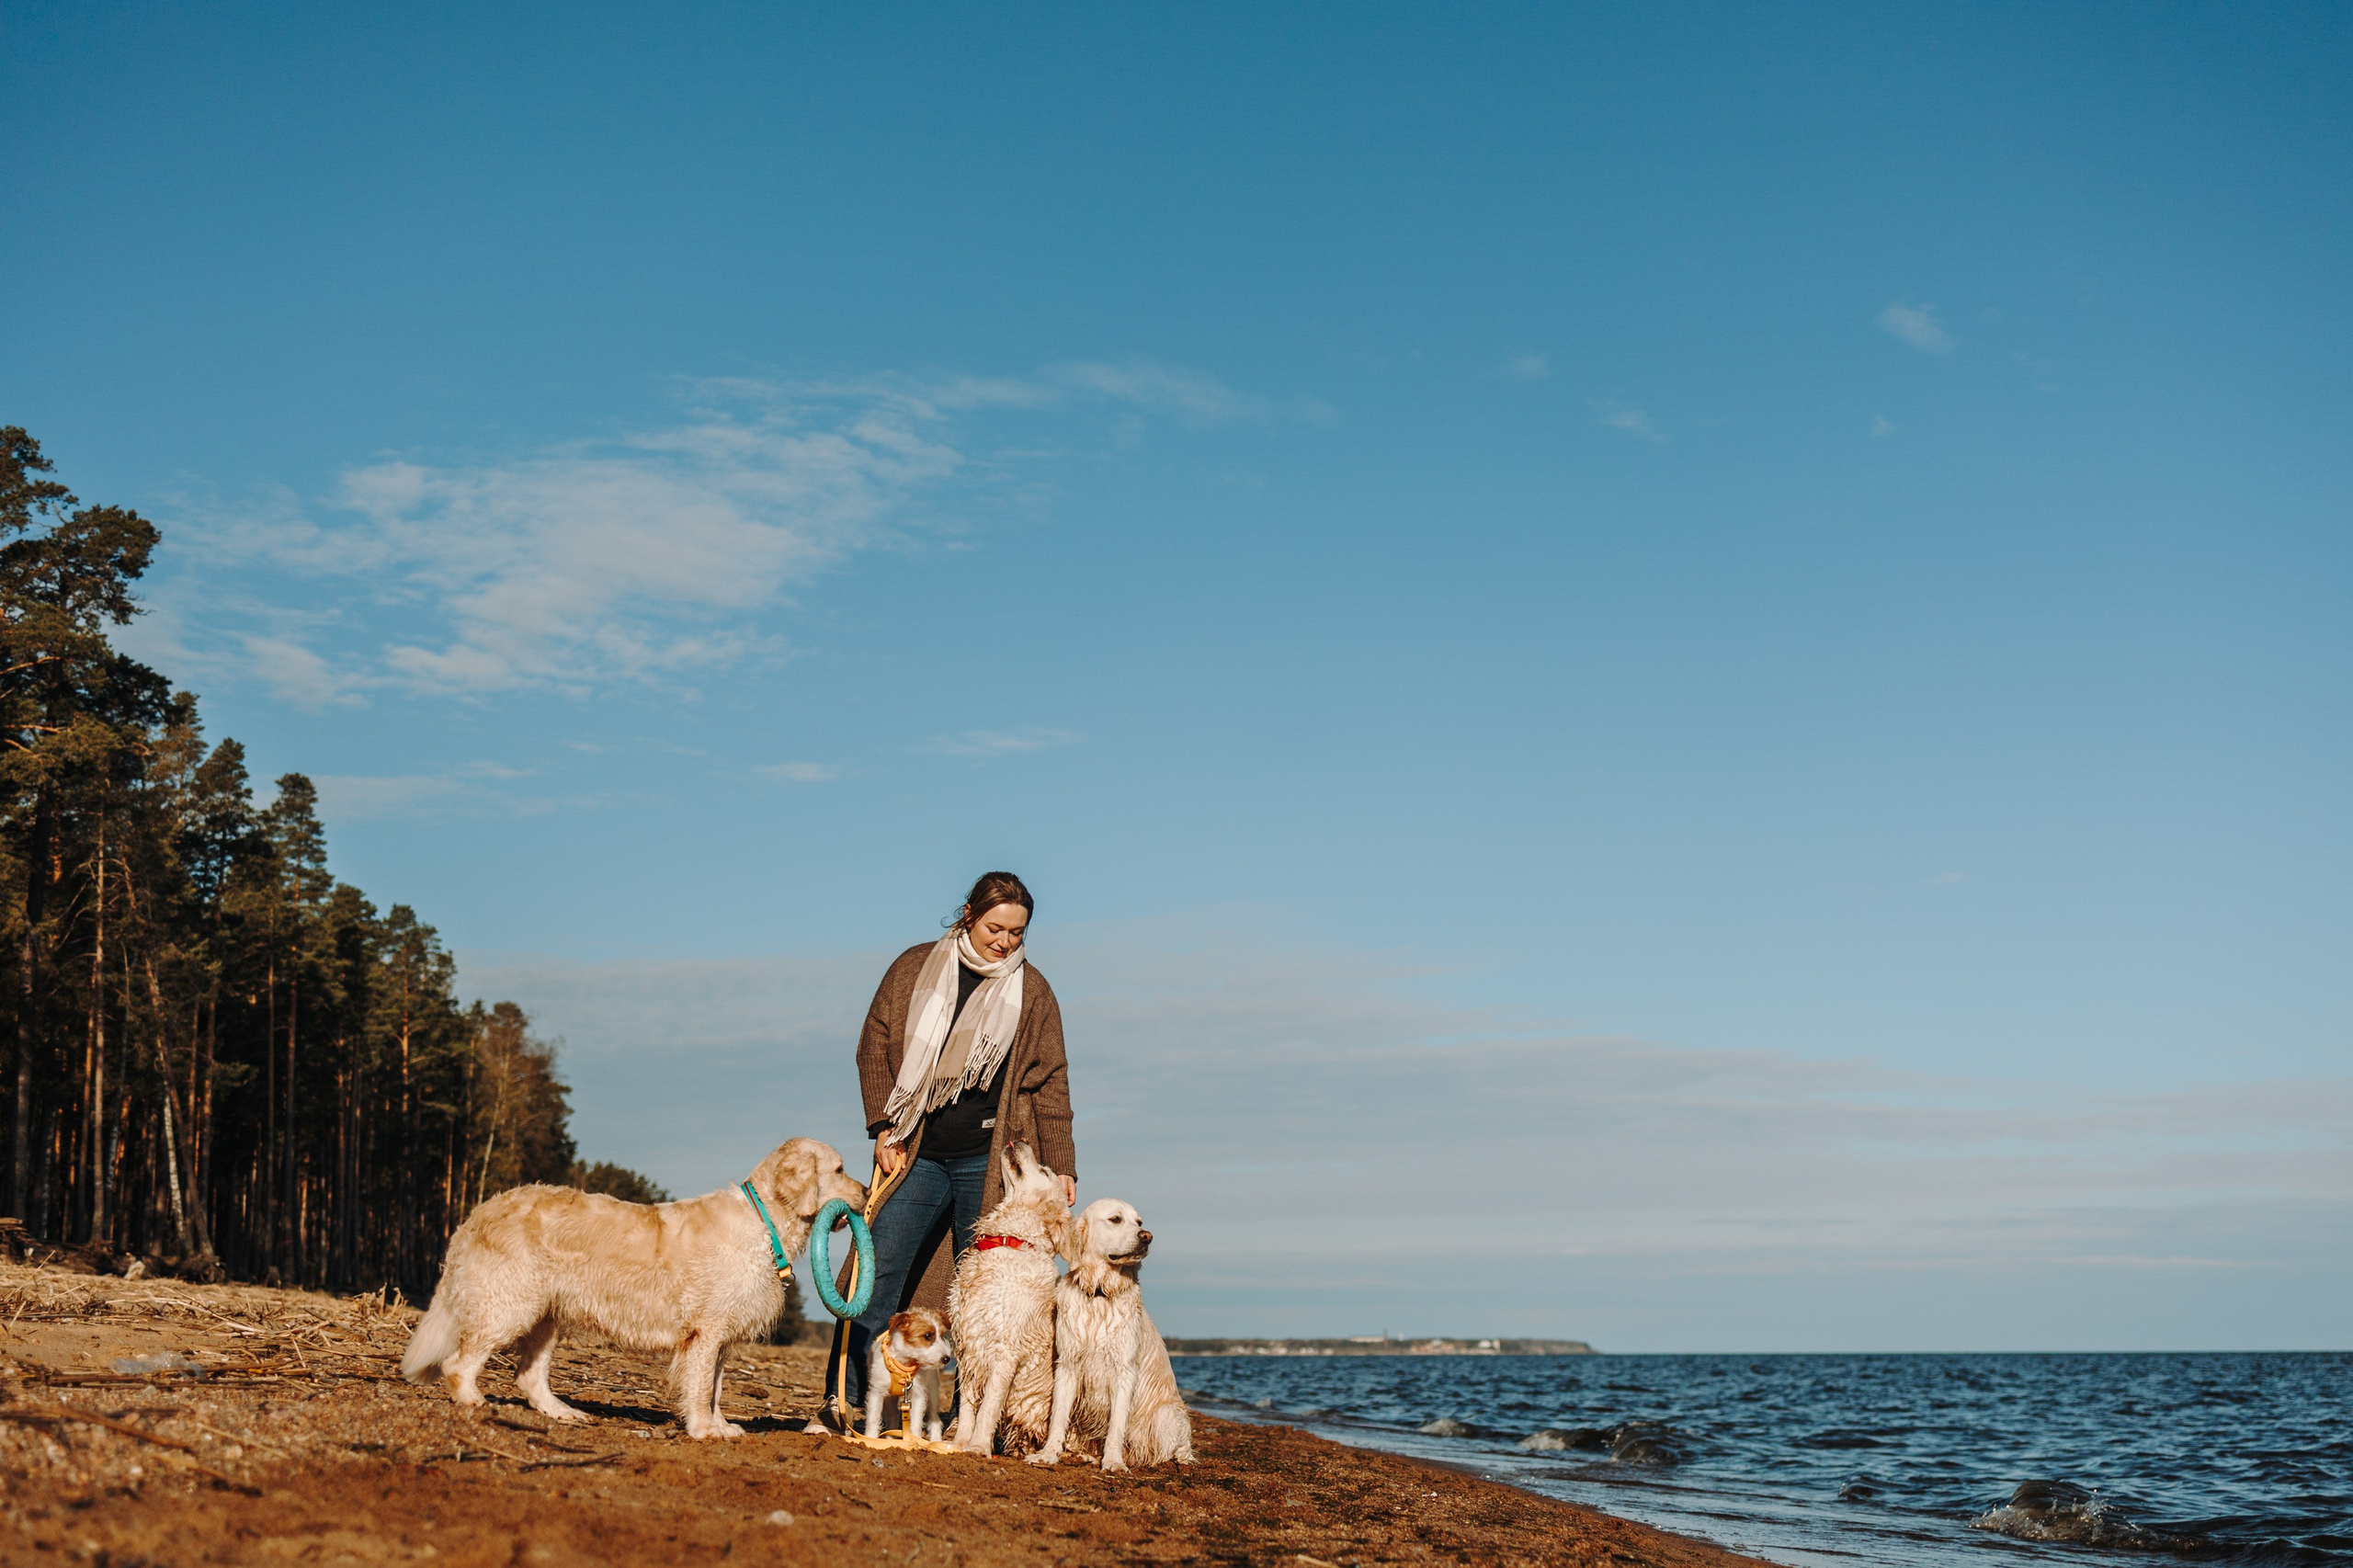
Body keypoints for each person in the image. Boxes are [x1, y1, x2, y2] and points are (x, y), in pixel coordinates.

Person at [831, 870, 1077, 1422]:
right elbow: (873, 1045)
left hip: (991, 1165)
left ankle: (969, 1418)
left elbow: (1051, 1082)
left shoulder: (1031, 990)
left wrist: (1061, 1166)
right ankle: (849, 1402)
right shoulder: (914, 967)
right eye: (996, 927)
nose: (1004, 941)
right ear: (969, 914)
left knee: (982, 1296)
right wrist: (884, 1129)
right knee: (877, 1271)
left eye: (1017, 933)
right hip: (914, 1150)